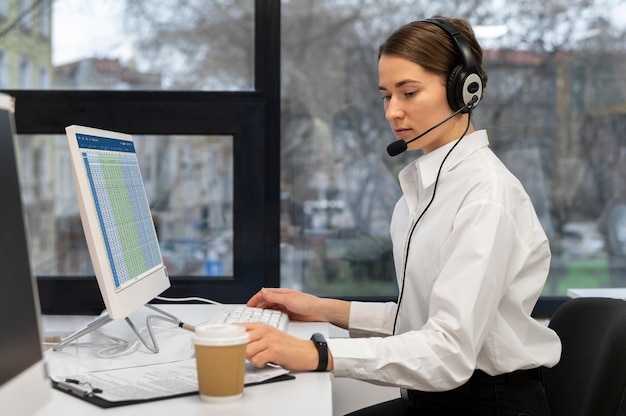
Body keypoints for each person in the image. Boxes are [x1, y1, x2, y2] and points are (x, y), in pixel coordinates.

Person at [239, 16, 561, 415]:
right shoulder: (427, 188)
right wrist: (322, 308)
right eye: (386, 96)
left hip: (490, 404)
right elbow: (419, 320)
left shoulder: (485, 196)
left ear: (466, 90)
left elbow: (448, 351)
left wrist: (316, 354)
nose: (393, 112)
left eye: (408, 92)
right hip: (442, 397)